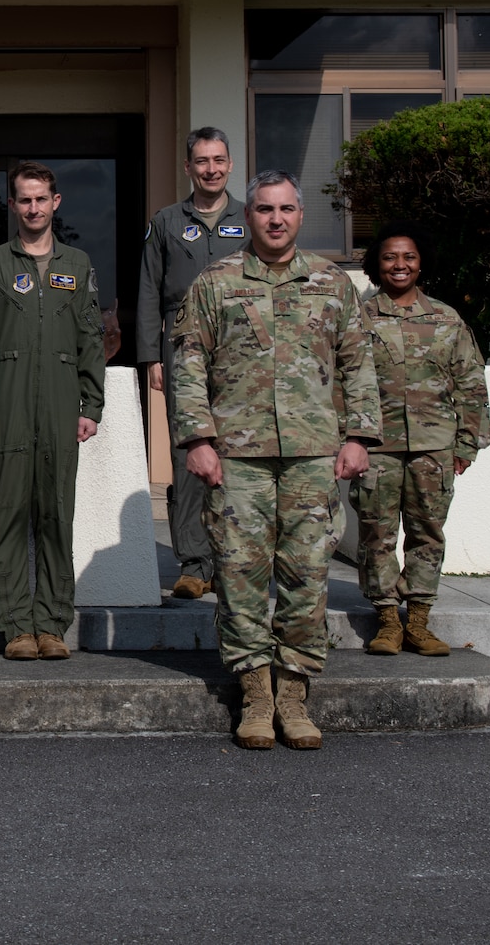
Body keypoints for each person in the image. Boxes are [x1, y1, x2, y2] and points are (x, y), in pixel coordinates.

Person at [166, 170, 380, 751]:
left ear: (300, 216)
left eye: (286, 209)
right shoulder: (216, 282)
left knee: (308, 575)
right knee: (238, 573)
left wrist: (359, 436)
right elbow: (187, 366)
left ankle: (294, 692)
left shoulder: (333, 283)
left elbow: (359, 363)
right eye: (264, 210)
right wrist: (197, 441)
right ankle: (255, 692)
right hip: (238, 456)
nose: (276, 219)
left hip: (313, 454)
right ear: (249, 215)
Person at [0, 161, 105, 661]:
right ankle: (15, 626)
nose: (33, 208)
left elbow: (91, 338)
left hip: (63, 405)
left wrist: (93, 404)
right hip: (9, 403)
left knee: (55, 516)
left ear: (55, 202)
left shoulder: (79, 264)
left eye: (41, 198)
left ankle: (51, 623)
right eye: (24, 199)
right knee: (8, 517)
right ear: (13, 205)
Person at [353, 223, 490, 657]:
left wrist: (468, 443)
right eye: (390, 257)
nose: (400, 265)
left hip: (434, 445)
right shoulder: (357, 317)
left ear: (421, 262)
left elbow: (470, 383)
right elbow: (340, 380)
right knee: (377, 534)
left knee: (427, 533)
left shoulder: (447, 319)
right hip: (376, 445)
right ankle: (387, 621)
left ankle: (418, 621)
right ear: (377, 264)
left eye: (408, 257)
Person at [137, 128, 247, 600]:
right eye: (201, 161)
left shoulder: (250, 217)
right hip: (180, 351)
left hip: (242, 353)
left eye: (219, 160)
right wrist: (149, 356)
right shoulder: (165, 221)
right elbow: (147, 289)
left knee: (241, 455)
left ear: (230, 164)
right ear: (188, 168)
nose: (211, 169)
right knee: (188, 455)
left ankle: (234, 561)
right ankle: (194, 563)